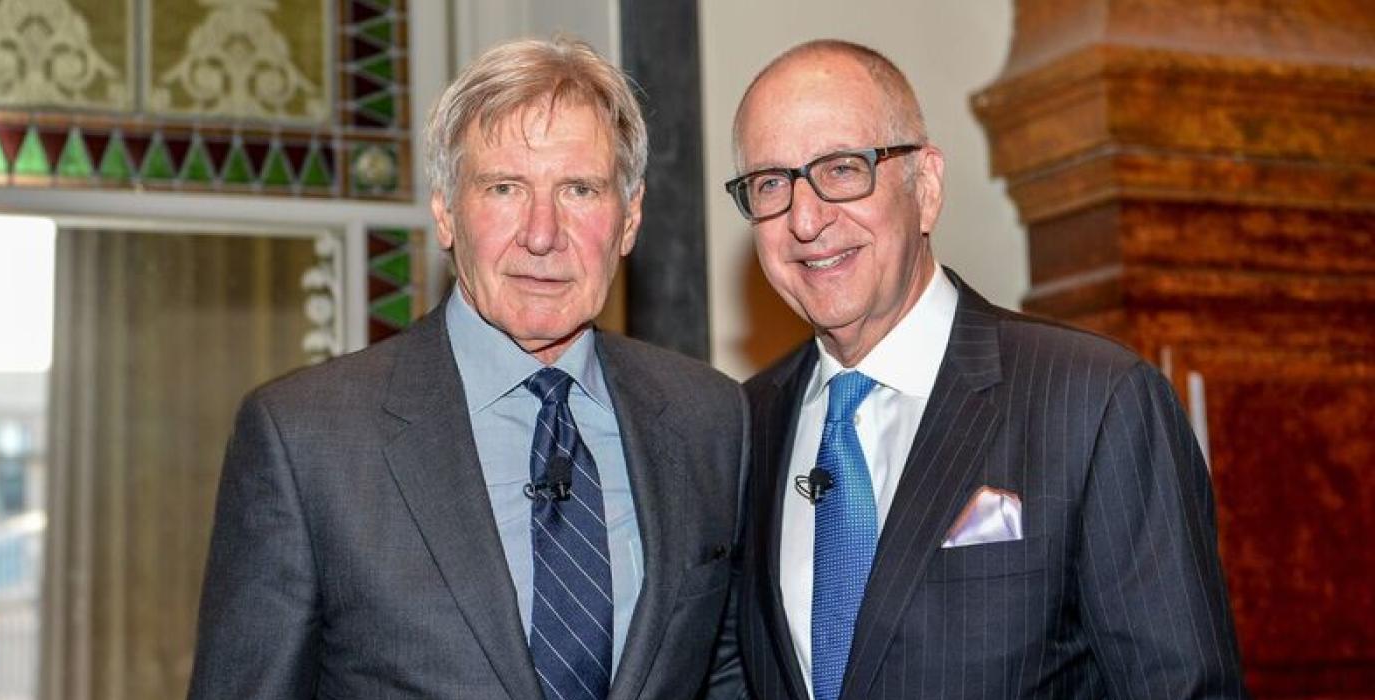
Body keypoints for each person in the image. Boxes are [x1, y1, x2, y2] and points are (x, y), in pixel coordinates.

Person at [188, 37, 745, 700]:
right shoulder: (305, 440)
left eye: (580, 190)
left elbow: (726, 674)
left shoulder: (710, 418)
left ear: (629, 219)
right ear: (447, 212)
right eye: (505, 187)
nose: (542, 233)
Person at [724, 39, 1247, 699]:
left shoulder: (1094, 401)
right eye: (771, 183)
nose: (805, 218)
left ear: (927, 186)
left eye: (842, 168)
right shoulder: (742, 426)